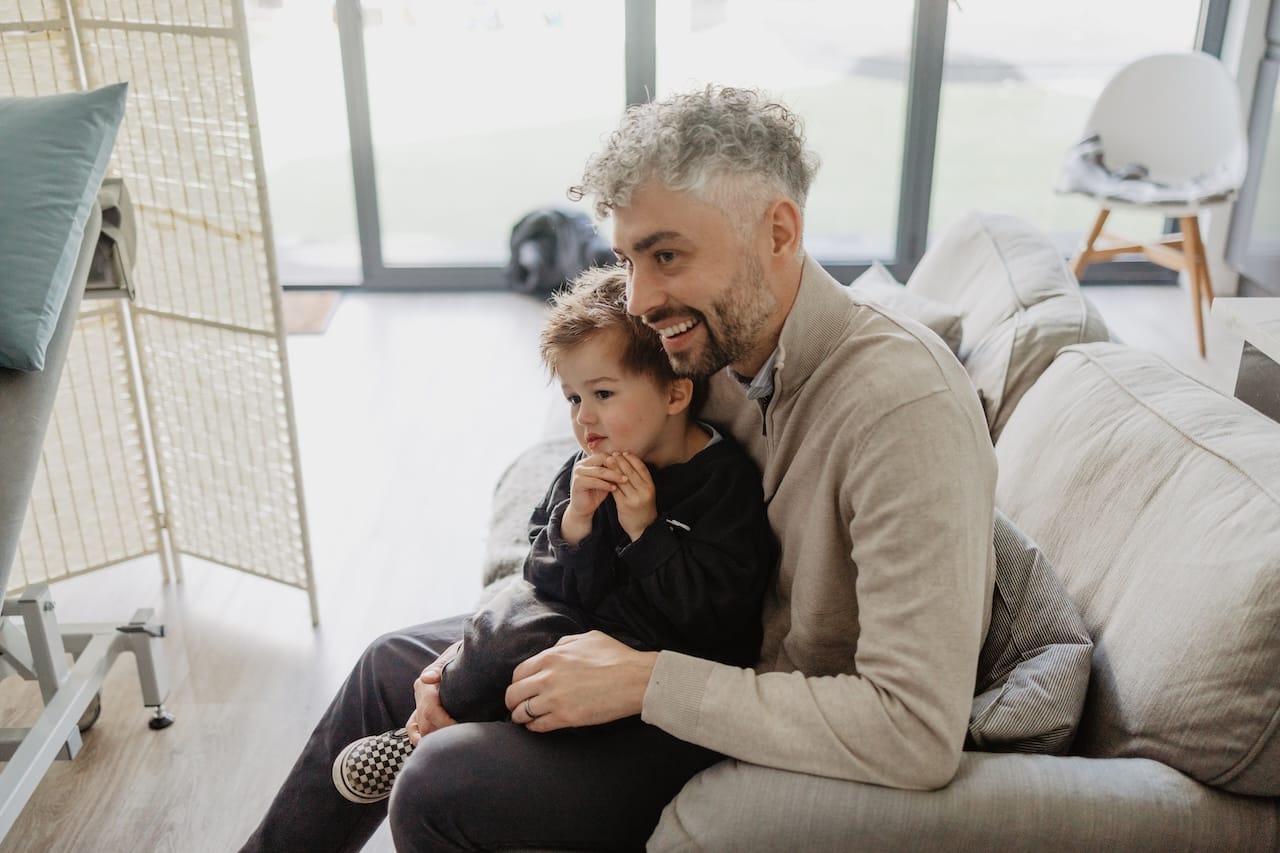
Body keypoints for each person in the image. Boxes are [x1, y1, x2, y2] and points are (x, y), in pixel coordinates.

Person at [241, 84, 996, 853]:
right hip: (651, 633)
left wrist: (644, 679)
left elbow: (916, 729)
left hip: (757, 711)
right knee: (389, 670)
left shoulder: (903, 412)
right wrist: (476, 655)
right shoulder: (713, 351)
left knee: (439, 782)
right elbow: (587, 492)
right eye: (629, 259)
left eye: (666, 255)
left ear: (778, 231)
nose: (640, 298)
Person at [329, 265, 774, 805]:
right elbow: (543, 575)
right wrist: (575, 523)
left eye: (603, 393)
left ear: (676, 395)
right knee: (485, 631)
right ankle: (434, 723)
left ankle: (442, 734)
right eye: (572, 399)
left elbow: (715, 619)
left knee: (515, 645)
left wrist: (646, 533)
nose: (584, 418)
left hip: (647, 668)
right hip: (580, 626)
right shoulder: (587, 468)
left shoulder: (723, 482)